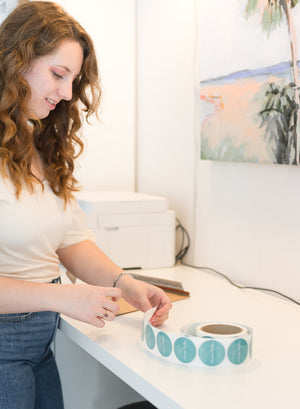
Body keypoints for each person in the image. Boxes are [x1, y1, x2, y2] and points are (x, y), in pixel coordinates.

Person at [0, 2, 172, 409]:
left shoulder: (34, 143)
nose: (66, 94)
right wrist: (62, 298)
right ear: (13, 61)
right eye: (58, 75)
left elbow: (69, 241)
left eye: (73, 80)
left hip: (38, 346)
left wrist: (125, 284)